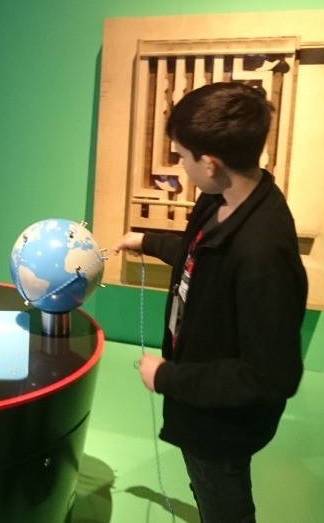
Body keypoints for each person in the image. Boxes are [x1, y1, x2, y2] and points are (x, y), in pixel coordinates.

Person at [113, 82, 307, 522]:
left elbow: (268, 376)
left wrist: (166, 377)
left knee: (222, 499)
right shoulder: (220, 199)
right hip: (199, 400)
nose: (181, 167)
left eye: (182, 157)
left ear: (211, 162)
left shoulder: (262, 254)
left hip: (221, 423)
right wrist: (147, 241)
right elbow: (198, 253)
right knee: (206, 487)